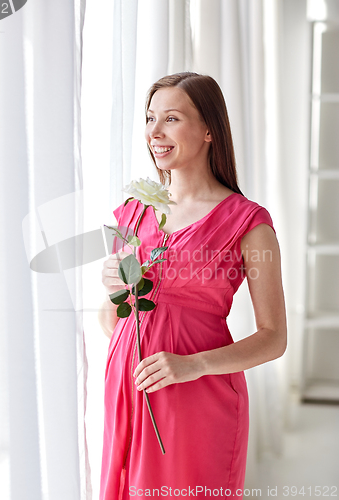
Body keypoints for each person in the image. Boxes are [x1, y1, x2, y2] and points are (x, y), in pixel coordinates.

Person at [98, 72, 287, 499]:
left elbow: (274, 338)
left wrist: (192, 365)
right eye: (150, 119)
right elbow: (113, 321)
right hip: (131, 388)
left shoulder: (248, 223)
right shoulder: (133, 212)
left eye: (171, 118)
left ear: (208, 130)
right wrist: (114, 291)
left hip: (199, 396)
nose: (155, 132)